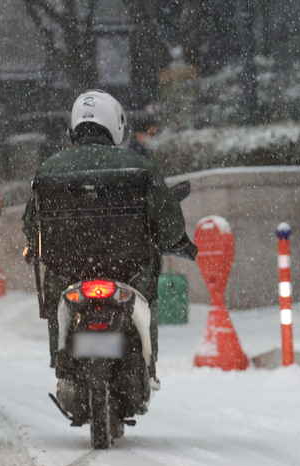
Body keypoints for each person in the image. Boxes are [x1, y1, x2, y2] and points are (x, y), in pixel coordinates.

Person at [22, 89, 192, 386]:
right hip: (127, 271)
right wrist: (173, 239)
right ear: (115, 125)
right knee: (147, 294)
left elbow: (31, 224)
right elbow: (169, 224)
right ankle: (147, 366)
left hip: (70, 271)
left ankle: (61, 360)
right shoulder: (138, 166)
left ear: (75, 127)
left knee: (56, 286)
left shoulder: (49, 169)